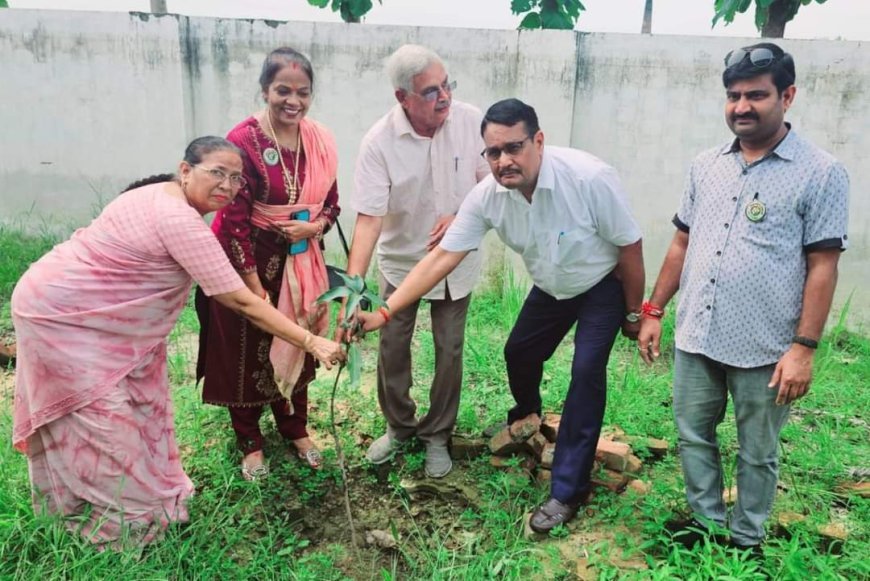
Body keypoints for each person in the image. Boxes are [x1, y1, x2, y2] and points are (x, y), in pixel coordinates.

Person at [11, 136, 344, 547]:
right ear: (185, 170)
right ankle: (122, 530)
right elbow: (242, 301)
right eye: (216, 173)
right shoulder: (180, 222)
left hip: (102, 321)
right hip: (62, 319)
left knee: (142, 403)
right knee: (105, 424)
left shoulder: (157, 192)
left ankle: (146, 497)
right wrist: (313, 342)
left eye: (236, 179)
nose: (227, 186)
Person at [358, 99, 645, 532]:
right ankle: (527, 415)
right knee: (519, 352)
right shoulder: (488, 197)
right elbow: (443, 258)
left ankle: (568, 491)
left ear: (538, 141)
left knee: (586, 372)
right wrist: (386, 310)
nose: (503, 161)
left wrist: (634, 314)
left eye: (514, 147)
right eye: (493, 152)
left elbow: (630, 246)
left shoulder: (588, 178)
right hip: (551, 286)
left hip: (601, 285)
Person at [637, 43, 849, 557]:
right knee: (693, 436)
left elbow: (823, 265)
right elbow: (682, 241)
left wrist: (803, 348)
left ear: (787, 96)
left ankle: (746, 539)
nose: (741, 106)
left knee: (757, 450)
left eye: (756, 95)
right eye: (733, 96)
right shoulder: (706, 165)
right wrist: (654, 310)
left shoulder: (821, 172)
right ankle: (706, 523)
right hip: (697, 335)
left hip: (766, 348)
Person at [196, 47, 340, 477]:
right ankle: (250, 441)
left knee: (298, 341)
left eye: (303, 92)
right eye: (282, 90)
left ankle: (295, 428)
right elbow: (233, 219)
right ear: (265, 90)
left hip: (301, 264)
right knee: (246, 349)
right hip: (248, 259)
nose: (293, 101)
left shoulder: (320, 140)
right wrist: (252, 283)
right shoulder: (243, 141)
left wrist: (314, 228)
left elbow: (332, 203)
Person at [346, 44, 489, 478]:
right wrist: (353, 290)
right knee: (392, 346)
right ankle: (399, 427)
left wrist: (462, 215)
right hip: (402, 262)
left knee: (450, 348)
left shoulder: (471, 122)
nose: (445, 97)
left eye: (447, 85)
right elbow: (369, 219)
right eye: (431, 91)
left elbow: (492, 186)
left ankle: (438, 435)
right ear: (402, 97)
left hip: (455, 263)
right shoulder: (379, 143)